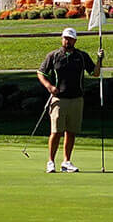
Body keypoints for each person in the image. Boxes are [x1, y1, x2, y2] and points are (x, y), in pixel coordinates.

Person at [37, 26, 101, 173]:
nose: (67, 41)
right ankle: (50, 161)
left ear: (75, 40)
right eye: (65, 38)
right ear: (62, 39)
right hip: (59, 99)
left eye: (70, 38)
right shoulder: (53, 56)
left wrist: (99, 59)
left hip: (77, 99)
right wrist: (49, 86)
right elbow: (40, 73)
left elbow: (95, 73)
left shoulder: (81, 56)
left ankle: (66, 162)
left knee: (71, 132)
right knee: (56, 132)